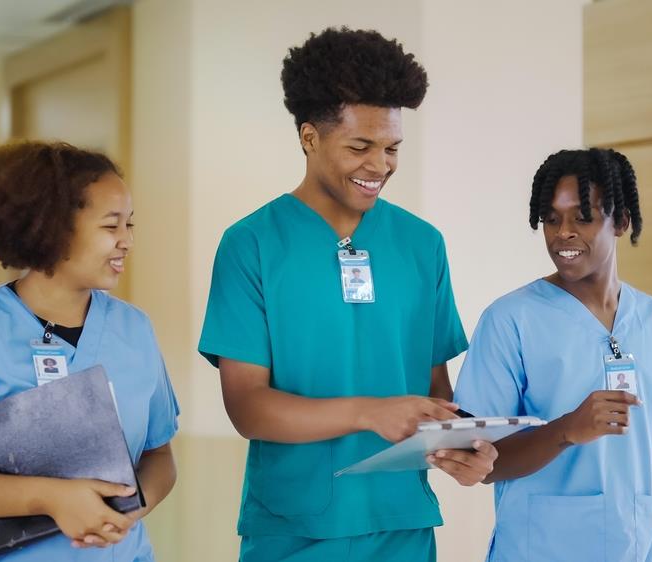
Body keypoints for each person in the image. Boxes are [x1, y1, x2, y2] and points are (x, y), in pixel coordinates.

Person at [198, 27, 497, 562]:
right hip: (294, 529)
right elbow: (247, 406)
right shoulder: (251, 245)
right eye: (360, 146)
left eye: (392, 148)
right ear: (309, 138)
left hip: (403, 522)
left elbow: (432, 394)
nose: (380, 165)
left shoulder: (422, 245)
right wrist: (369, 413)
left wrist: (464, 446)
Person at [0, 141, 180, 561]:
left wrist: (130, 508)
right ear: (54, 227)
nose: (127, 241)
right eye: (110, 226)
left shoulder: (134, 329)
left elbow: (159, 454)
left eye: (130, 225)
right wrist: (50, 499)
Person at [454, 148, 652, 562]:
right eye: (552, 219)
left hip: (639, 551)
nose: (563, 232)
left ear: (620, 221)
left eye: (582, 216)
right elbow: (485, 463)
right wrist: (567, 429)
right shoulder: (510, 320)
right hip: (542, 550)